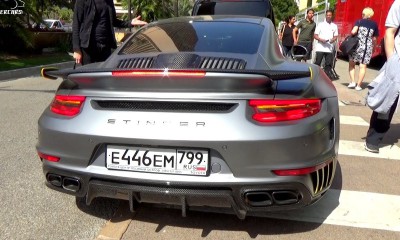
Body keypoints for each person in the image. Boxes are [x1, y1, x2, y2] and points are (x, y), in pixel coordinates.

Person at [365, 0, 400, 153]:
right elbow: (389, 32)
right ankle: (375, 136)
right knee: (388, 101)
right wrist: (392, 60)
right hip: (398, 60)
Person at [72, 0, 147, 65]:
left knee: (102, 77)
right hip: (88, 47)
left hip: (105, 46)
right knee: (87, 78)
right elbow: (76, 23)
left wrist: (130, 23)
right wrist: (76, 49)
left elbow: (114, 21)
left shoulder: (109, 1)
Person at [347, 7, 379, 91]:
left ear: (364, 14)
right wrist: (374, 48)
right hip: (367, 47)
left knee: (352, 64)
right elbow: (375, 39)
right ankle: (358, 85)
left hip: (356, 46)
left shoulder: (359, 21)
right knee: (363, 66)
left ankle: (353, 82)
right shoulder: (374, 24)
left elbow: (353, 32)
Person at [313, 10, 338, 80]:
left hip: (329, 48)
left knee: (328, 64)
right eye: (327, 15)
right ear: (325, 16)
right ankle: (315, 76)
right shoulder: (320, 24)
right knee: (318, 62)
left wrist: (333, 39)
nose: (328, 16)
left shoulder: (334, 26)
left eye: (330, 15)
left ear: (332, 16)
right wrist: (321, 39)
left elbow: (336, 36)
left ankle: (326, 78)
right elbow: (315, 35)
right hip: (320, 47)